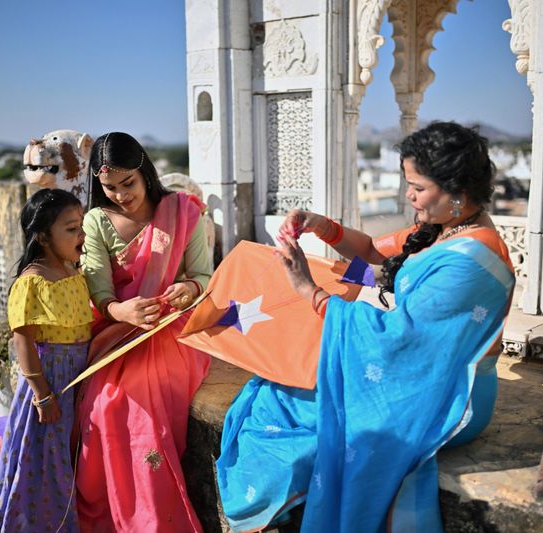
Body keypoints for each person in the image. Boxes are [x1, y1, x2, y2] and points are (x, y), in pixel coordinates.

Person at [216, 122, 516, 531]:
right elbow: (374, 252)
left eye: (418, 187)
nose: (408, 195)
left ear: (457, 190)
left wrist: (310, 291)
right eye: (407, 183)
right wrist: (319, 225)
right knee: (275, 392)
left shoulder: (471, 262)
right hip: (413, 371)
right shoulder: (447, 227)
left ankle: (276, 511)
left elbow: (399, 340)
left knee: (294, 413)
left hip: (449, 394)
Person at [76, 132, 211, 531]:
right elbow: (98, 289)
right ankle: (119, 516)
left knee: (141, 401)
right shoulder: (96, 221)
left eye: (128, 184)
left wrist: (188, 289)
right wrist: (122, 309)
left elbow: (203, 275)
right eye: (109, 187)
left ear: (144, 172)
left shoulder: (182, 210)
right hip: (116, 331)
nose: (120, 195)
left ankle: (155, 517)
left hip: (171, 326)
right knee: (104, 403)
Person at [0, 188, 92, 533]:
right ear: (43, 236)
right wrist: (42, 394)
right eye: (71, 228)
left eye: (81, 226)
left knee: (68, 456)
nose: (81, 235)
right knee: (45, 461)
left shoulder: (71, 271)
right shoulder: (32, 281)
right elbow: (25, 342)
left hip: (77, 375)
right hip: (51, 382)